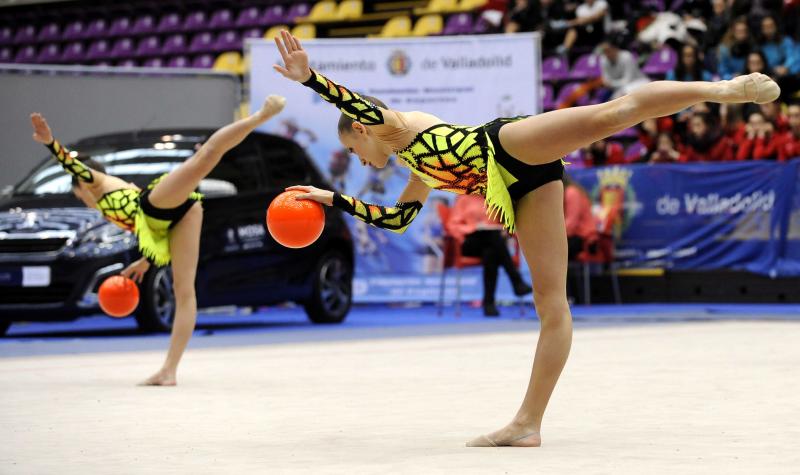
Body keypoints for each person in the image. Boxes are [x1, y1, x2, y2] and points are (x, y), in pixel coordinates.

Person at [271, 30, 779, 447]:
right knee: (551, 304)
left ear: (361, 130)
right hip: (522, 190)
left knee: (611, 114)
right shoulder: (413, 165)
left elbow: (354, 102)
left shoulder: (394, 129)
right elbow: (399, 220)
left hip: (508, 145)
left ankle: (723, 90)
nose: (358, 159)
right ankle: (528, 423)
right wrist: (333, 200)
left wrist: (311, 79)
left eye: (352, 148)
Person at [29, 96, 286, 386]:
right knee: (184, 291)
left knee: (206, 157)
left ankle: (260, 116)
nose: (85, 203)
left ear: (83, 184)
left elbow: (74, 168)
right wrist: (146, 260)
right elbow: (150, 231)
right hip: (178, 216)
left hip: (154, 203)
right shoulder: (105, 204)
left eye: (79, 196)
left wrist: (51, 143)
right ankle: (169, 371)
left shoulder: (95, 182)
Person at [446, 194, 532, 317]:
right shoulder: (463, 198)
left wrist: (504, 230)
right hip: (468, 243)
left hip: (491, 243)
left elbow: (503, 224)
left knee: (491, 253)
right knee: (492, 239)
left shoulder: (493, 198)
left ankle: (489, 305)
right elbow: (452, 225)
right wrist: (474, 227)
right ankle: (516, 281)